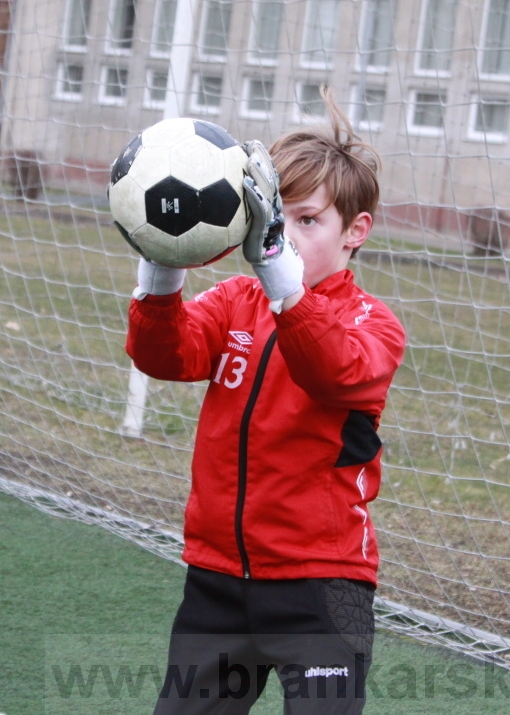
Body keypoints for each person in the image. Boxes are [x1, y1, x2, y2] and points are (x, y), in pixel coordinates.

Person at [125, 91, 407, 714]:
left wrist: (282, 277)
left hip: (322, 583)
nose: (285, 237)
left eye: (308, 221)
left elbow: (335, 370)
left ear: (355, 232)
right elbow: (164, 356)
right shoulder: (233, 303)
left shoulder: (373, 324)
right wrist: (162, 267)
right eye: (278, 219)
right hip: (219, 578)